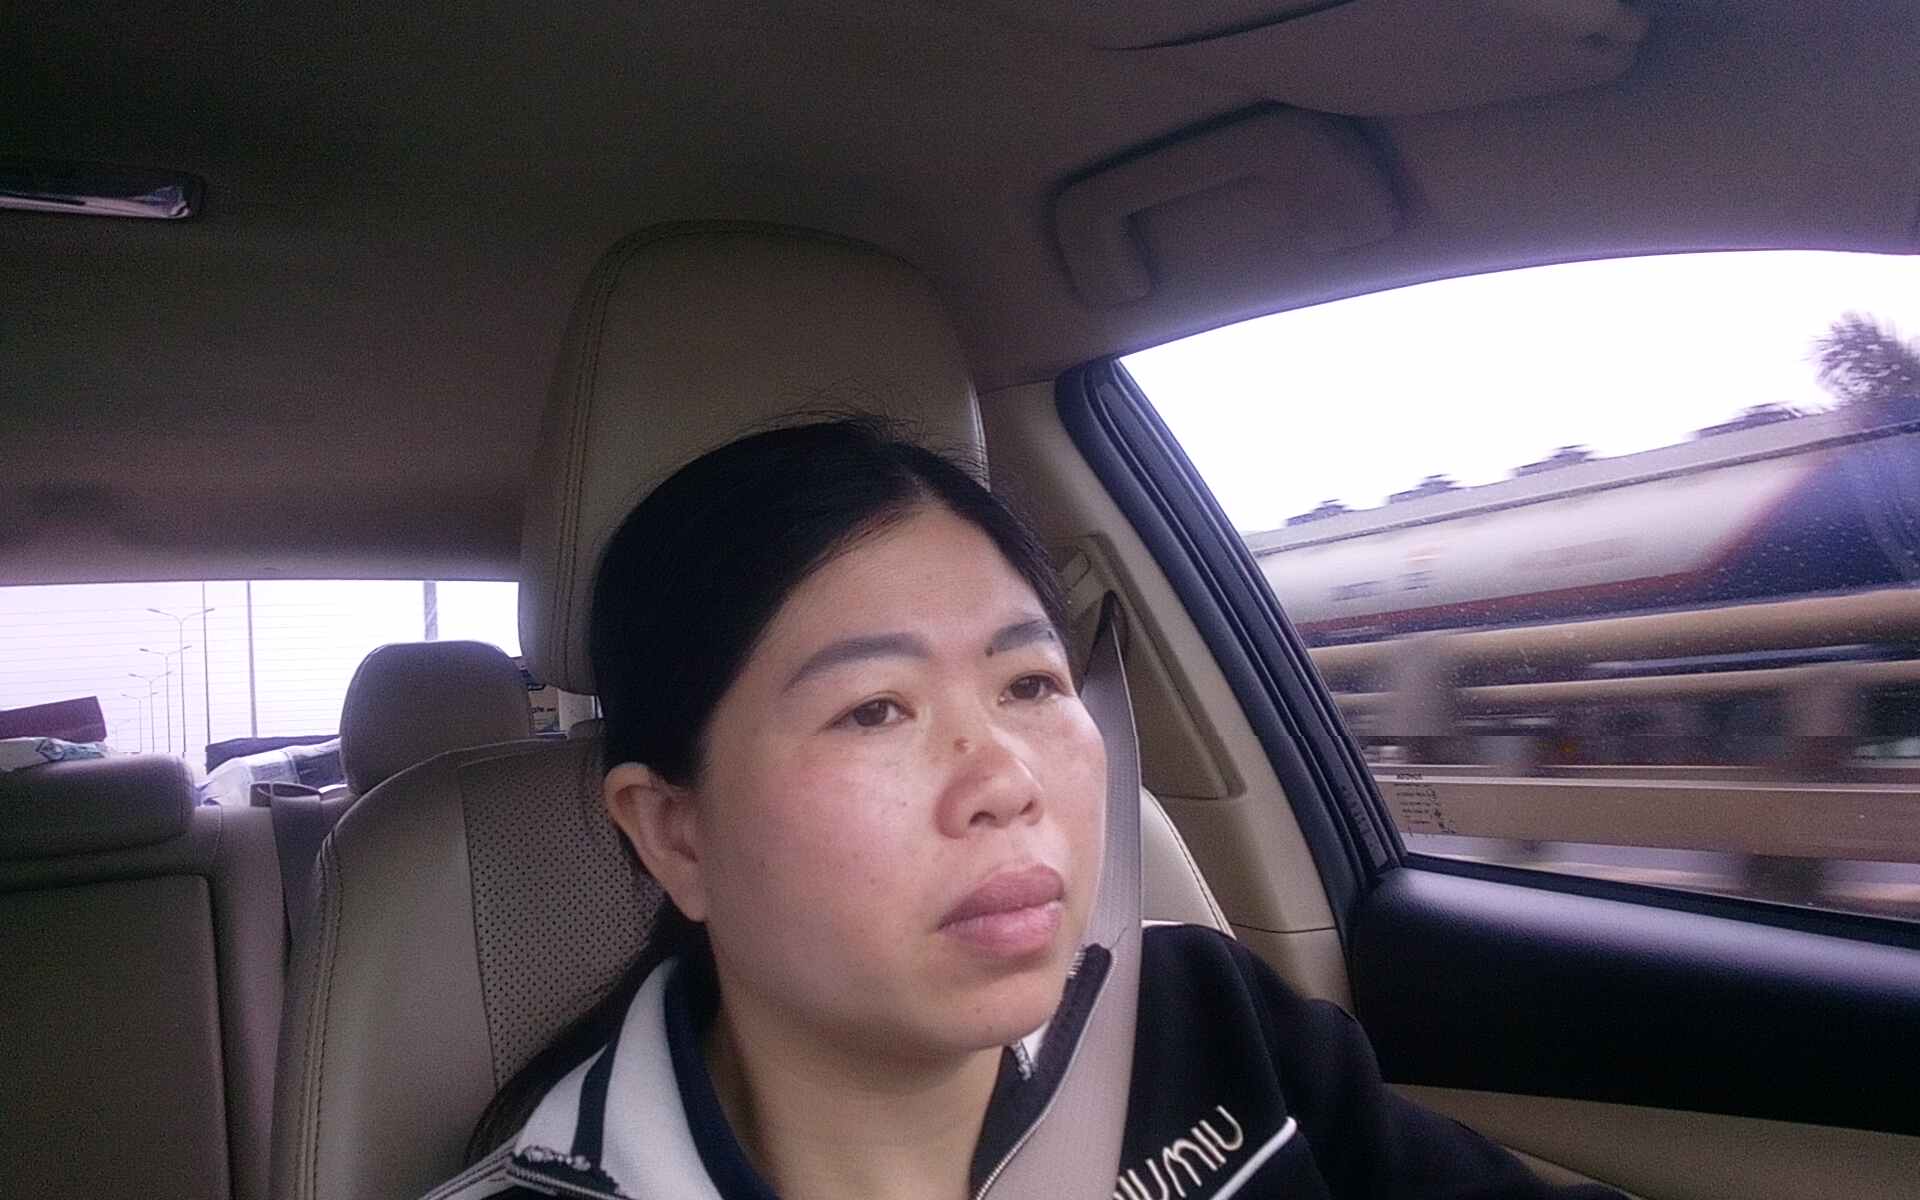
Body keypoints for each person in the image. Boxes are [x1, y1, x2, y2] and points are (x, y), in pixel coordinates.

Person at [429, 418, 1621, 1200]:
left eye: (1031, 685)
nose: (1006, 779)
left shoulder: (1206, 1021)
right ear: (675, 833)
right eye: (874, 710)